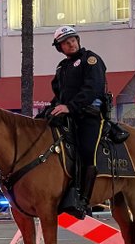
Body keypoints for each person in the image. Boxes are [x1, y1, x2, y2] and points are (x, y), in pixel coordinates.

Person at [46, 25, 117, 219]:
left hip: (89, 115)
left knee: (87, 152)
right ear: (60, 48)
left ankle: (83, 201)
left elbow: (92, 88)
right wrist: (50, 110)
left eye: (72, 40)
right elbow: (59, 95)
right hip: (68, 116)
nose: (71, 44)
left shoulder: (91, 60)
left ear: (77, 40)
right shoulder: (62, 67)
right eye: (65, 43)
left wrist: (70, 107)